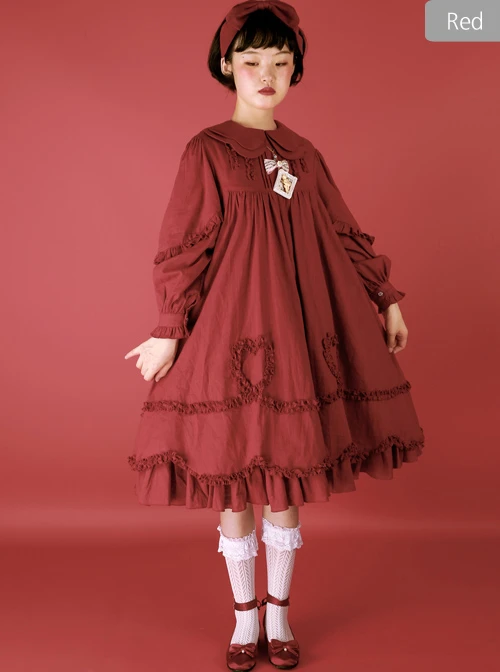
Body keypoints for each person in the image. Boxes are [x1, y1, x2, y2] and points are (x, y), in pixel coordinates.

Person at [124, 1, 425, 669]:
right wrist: (169, 329)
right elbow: (184, 247)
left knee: (286, 477)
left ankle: (280, 617)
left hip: (296, 336)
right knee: (233, 477)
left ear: (296, 71)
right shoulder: (207, 150)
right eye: (253, 61)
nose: (267, 75)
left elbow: (344, 231)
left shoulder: (304, 156)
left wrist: (386, 299)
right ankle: (243, 623)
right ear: (227, 65)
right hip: (228, 335)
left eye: (282, 63)